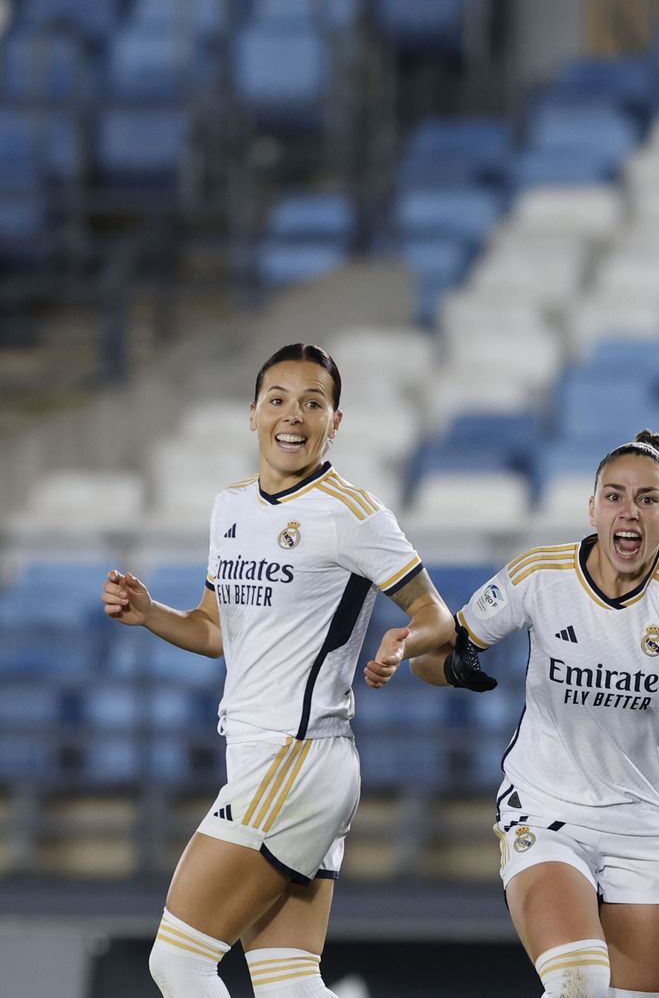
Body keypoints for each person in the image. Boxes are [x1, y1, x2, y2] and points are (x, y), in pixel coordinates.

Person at [103, 343, 456, 998]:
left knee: (176, 962)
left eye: (312, 403)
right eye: (278, 400)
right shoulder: (230, 507)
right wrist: (152, 613)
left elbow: (437, 615)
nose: (293, 415)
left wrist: (402, 644)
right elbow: (214, 632)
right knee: (288, 983)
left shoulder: (352, 513)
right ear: (253, 414)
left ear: (335, 422)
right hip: (268, 759)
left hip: (298, 757)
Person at [395, 429, 659, 998]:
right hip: (547, 809)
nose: (628, 511)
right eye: (613, 496)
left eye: (647, 498)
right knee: (577, 979)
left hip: (648, 826)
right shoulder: (539, 575)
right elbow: (430, 659)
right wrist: (456, 668)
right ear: (593, 508)